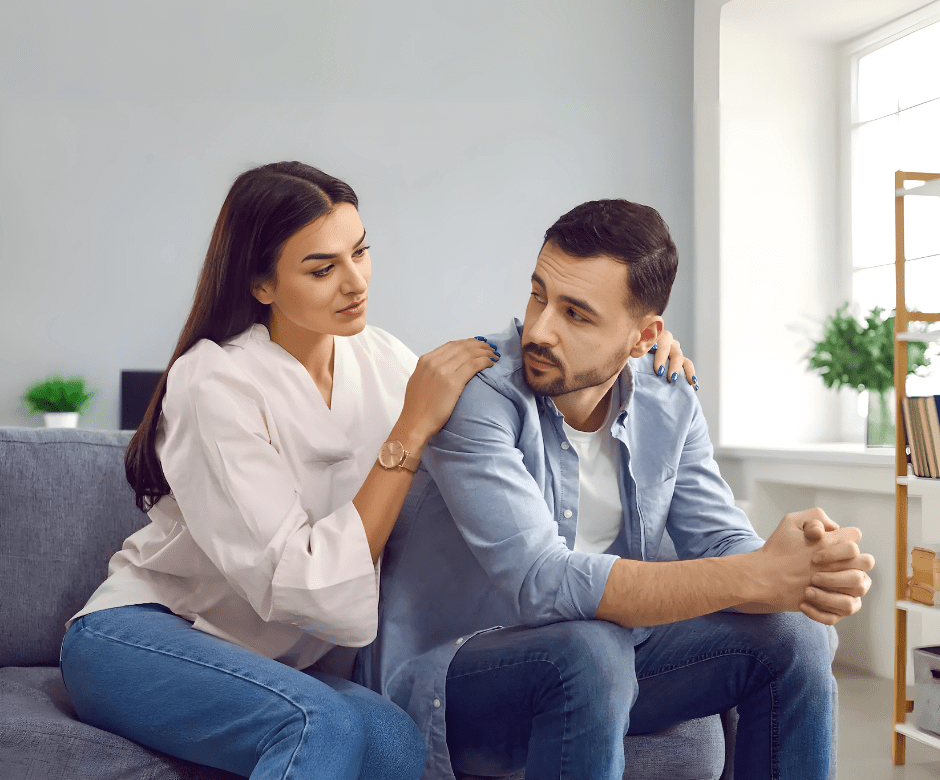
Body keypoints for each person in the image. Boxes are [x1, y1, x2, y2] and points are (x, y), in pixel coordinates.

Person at [58, 163, 693, 780]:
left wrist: (632, 356)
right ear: (262, 285)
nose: (355, 282)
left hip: (285, 666)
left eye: (360, 253)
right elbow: (307, 585)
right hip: (147, 633)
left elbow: (513, 380)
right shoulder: (213, 381)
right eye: (322, 268)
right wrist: (408, 433)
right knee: (320, 726)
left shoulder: (382, 358)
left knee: (396, 741)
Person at [357, 198, 876, 780]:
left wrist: (802, 571)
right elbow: (540, 581)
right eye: (538, 295)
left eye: (576, 314)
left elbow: (718, 537)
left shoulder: (669, 393)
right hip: (457, 674)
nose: (540, 328)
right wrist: (757, 575)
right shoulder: (480, 395)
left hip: (603, 662)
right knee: (590, 649)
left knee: (797, 635)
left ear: (642, 336)